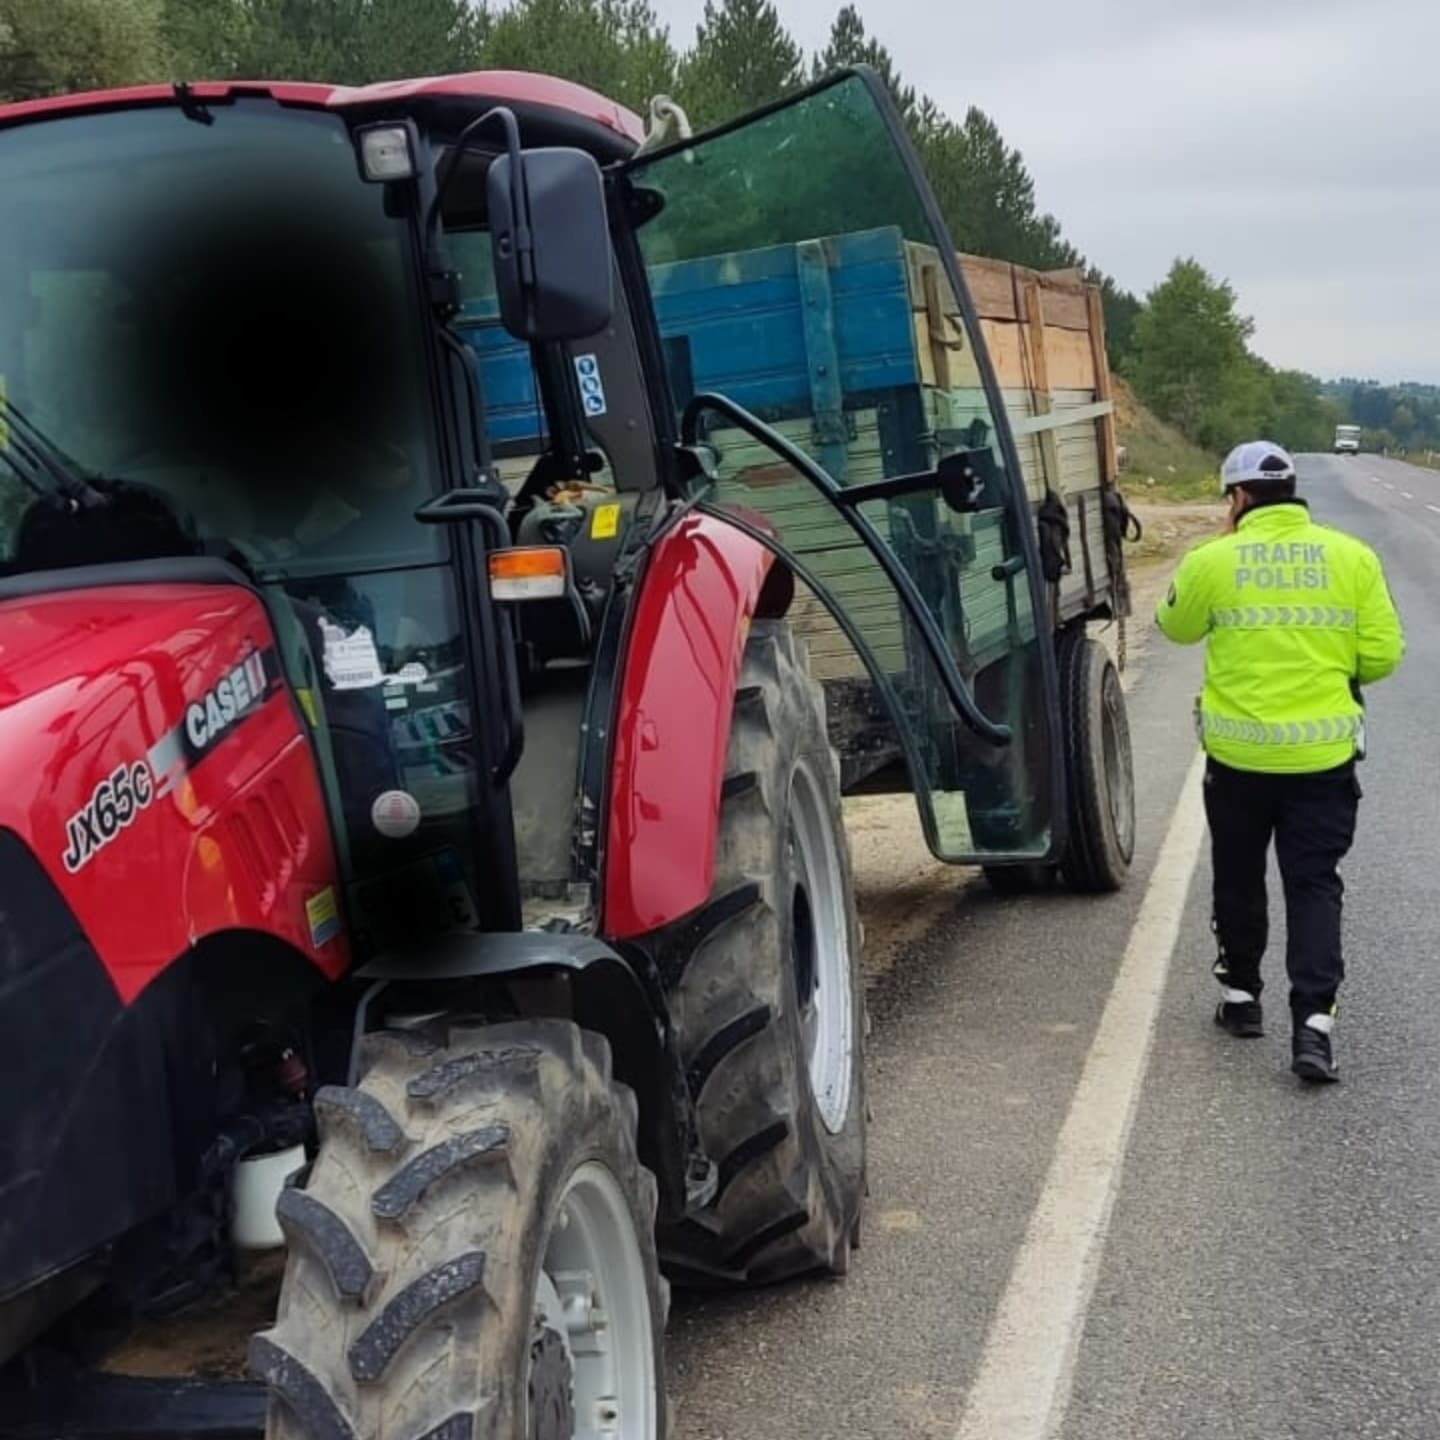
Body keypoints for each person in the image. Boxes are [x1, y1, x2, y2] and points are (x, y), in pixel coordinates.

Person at [1156, 440, 1404, 1083]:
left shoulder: (1215, 558)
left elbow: (1175, 627)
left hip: (1238, 759)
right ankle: (1314, 1026)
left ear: (1237, 499)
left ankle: (1241, 999)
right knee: (1314, 883)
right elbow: (1381, 656)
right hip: (1323, 760)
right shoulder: (1352, 557)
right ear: (1293, 491)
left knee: (1239, 873)